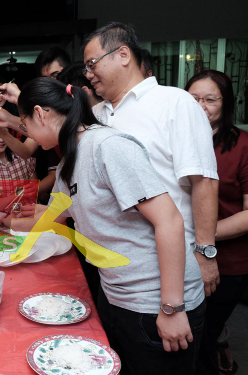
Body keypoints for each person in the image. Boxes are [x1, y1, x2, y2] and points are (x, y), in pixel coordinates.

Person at [4, 77, 205, 374]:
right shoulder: (68, 162)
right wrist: (1, 223)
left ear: (40, 113)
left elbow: (170, 221)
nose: (26, 133)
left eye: (24, 123)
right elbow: (51, 218)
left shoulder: (107, 147)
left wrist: (171, 309)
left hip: (156, 300)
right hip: (117, 294)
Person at [83, 22, 219, 299]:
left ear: (122, 55)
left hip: (167, 268)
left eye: (92, 64)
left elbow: (203, 180)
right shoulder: (97, 113)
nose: (88, 74)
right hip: (115, 274)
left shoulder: (175, 103)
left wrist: (205, 251)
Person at [186, 70, 248, 375]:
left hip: (227, 260)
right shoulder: (176, 142)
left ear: (225, 103)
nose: (201, 106)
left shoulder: (242, 145)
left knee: (203, 337)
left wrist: (198, 239)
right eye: (193, 98)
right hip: (179, 253)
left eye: (210, 99)